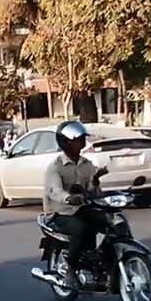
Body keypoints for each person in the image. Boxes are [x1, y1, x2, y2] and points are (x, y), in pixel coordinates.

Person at [42, 121, 110, 288]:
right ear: (66, 142)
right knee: (80, 228)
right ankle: (71, 269)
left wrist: (95, 180)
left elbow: (92, 192)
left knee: (110, 222)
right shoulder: (55, 167)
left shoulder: (87, 165)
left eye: (82, 139)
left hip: (81, 209)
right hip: (59, 213)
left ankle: (101, 261)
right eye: (78, 139)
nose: (82, 142)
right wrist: (68, 198)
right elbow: (53, 190)